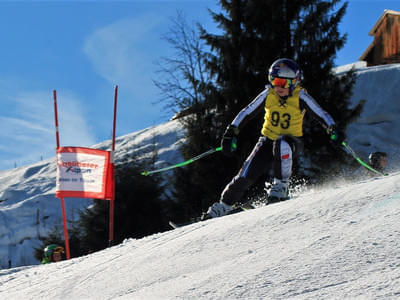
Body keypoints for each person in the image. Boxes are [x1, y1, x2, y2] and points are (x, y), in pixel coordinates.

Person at [203, 58, 339, 219]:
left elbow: (321, 113)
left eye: (284, 83)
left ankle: (281, 186)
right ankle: (223, 206)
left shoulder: (300, 96)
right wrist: (231, 132)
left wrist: (332, 128)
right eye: (275, 81)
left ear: (294, 82)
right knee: (246, 174)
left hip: (291, 142)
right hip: (267, 140)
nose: (279, 87)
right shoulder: (268, 94)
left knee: (281, 144)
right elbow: (247, 112)